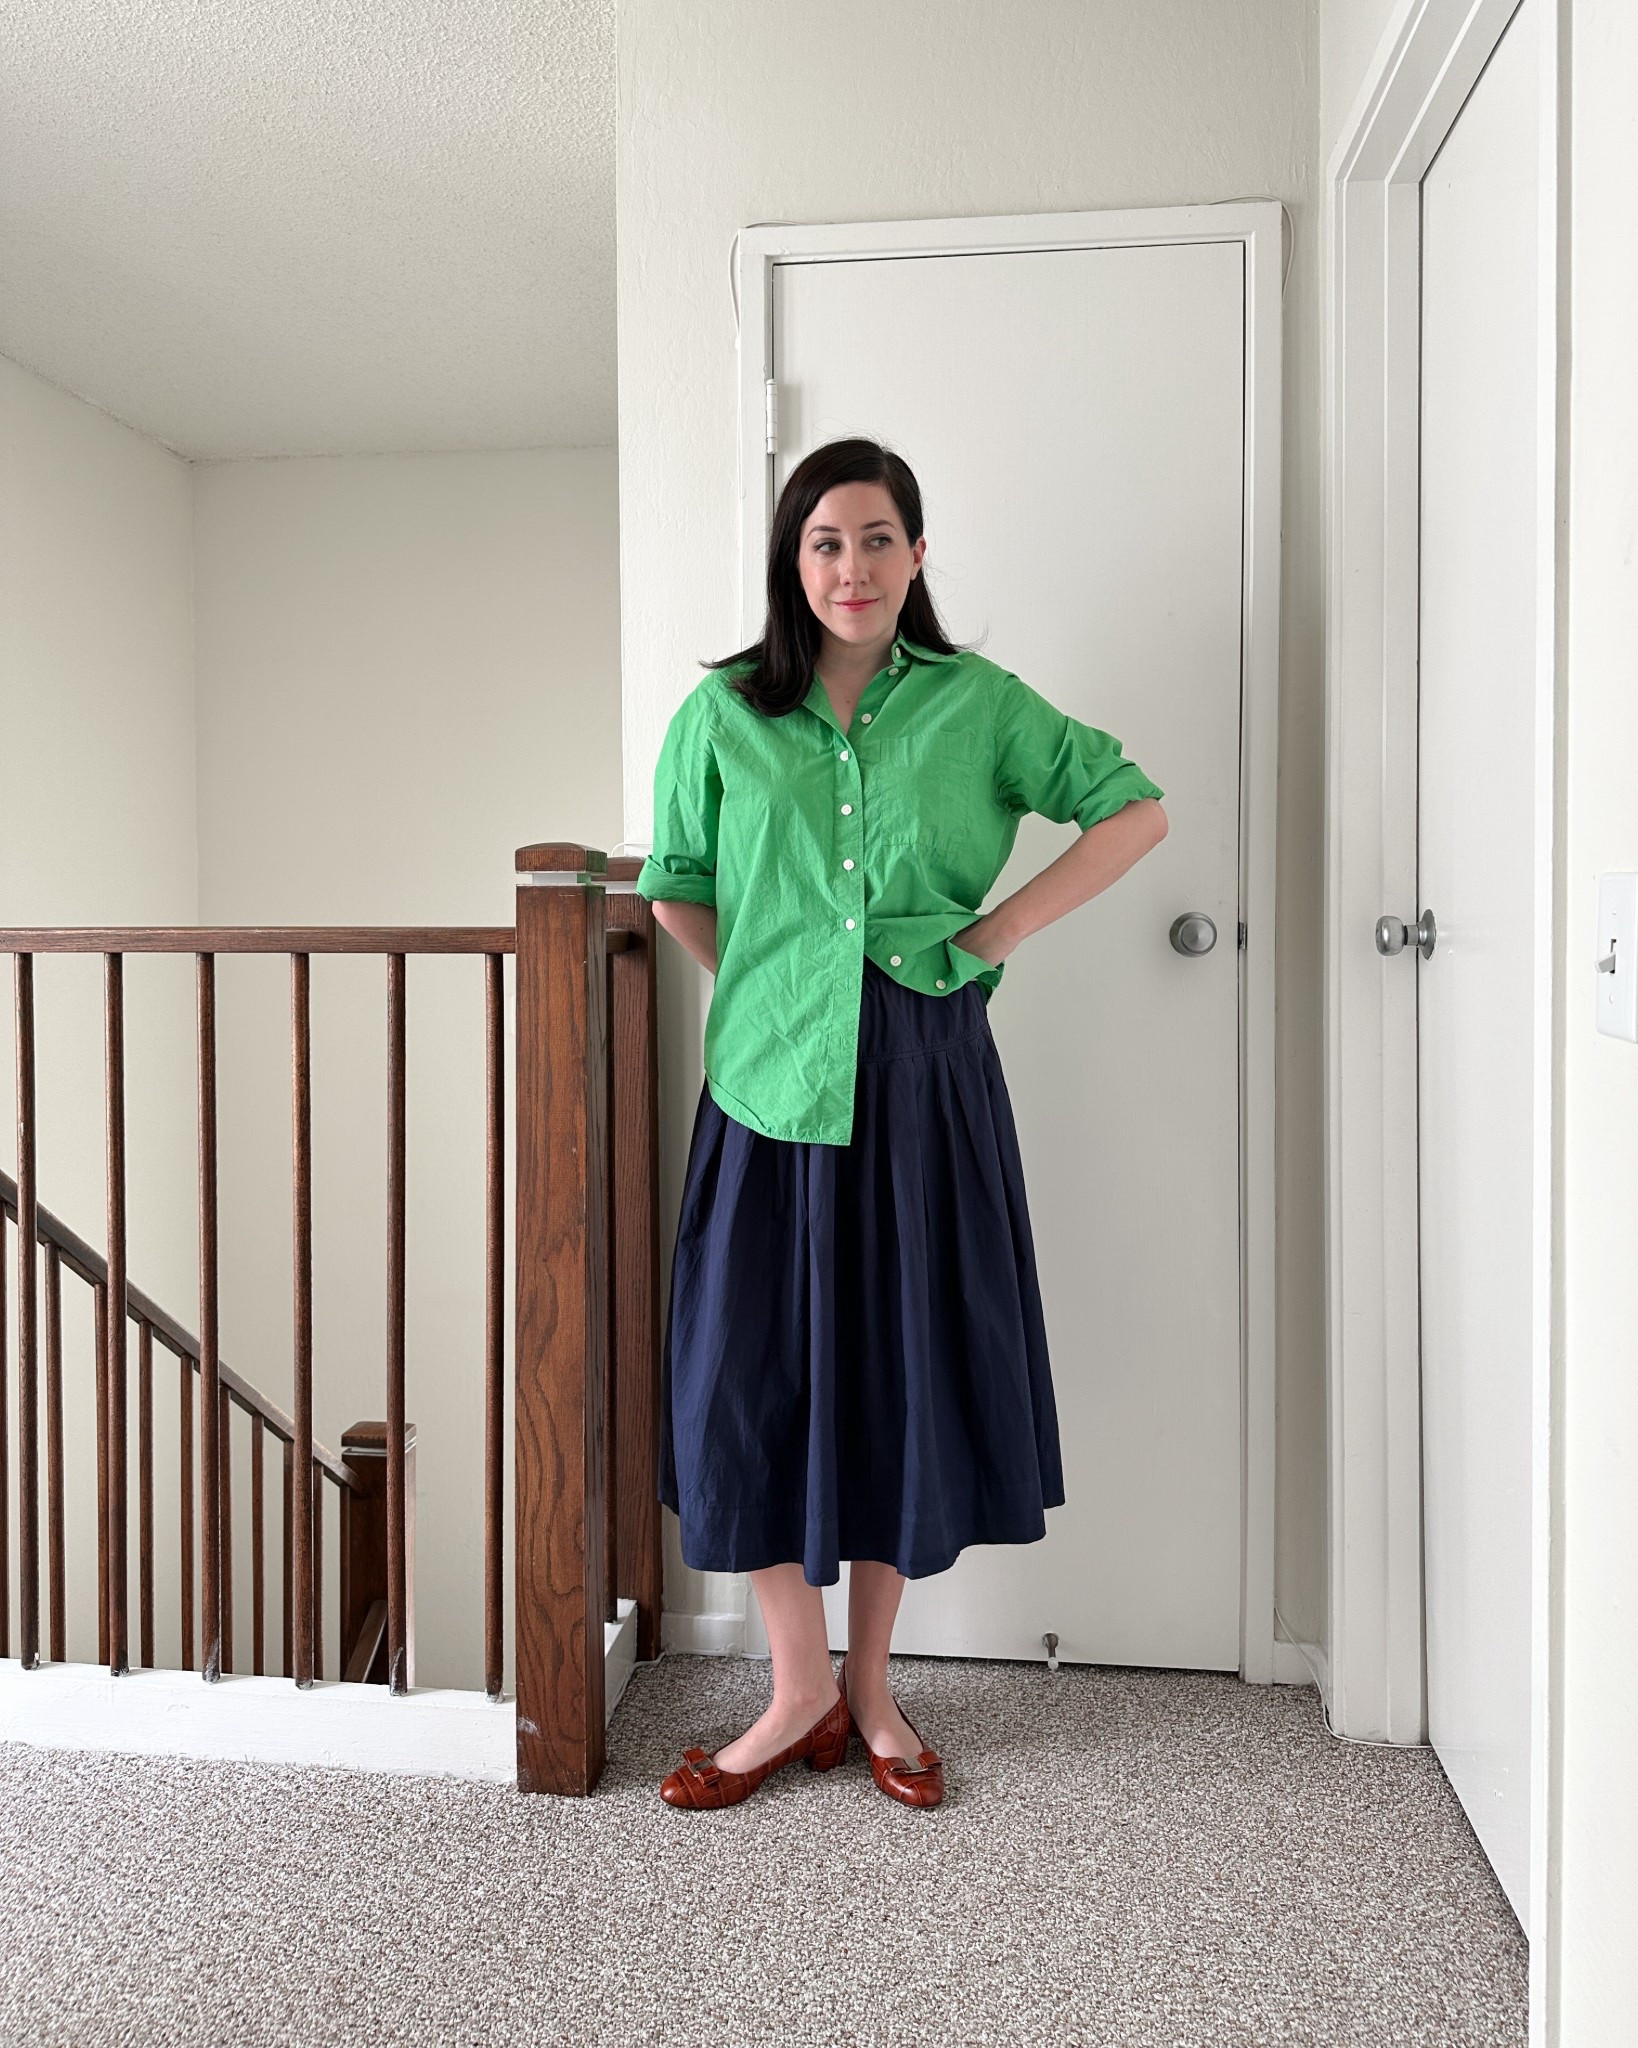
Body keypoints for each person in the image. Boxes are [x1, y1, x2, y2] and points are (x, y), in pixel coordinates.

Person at [633, 436, 1167, 1812]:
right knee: (739, 1372)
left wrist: (987, 938)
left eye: (875, 539)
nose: (850, 567)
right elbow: (678, 885)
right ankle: (793, 1682)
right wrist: (772, 992)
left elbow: (1130, 809)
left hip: (925, 1074)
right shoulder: (720, 716)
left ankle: (869, 1687)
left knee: (896, 1366)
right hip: (766, 1082)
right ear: (788, 562)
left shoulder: (979, 706)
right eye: (822, 542)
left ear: (915, 555)